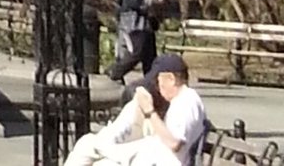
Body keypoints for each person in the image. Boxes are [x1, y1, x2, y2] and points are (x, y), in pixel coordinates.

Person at [64, 52, 208, 166]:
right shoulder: (182, 101)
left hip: (154, 160)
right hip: (147, 155)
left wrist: (149, 112)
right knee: (90, 148)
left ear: (170, 79)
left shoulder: (187, 101)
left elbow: (174, 143)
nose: (158, 88)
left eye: (159, 82)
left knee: (89, 146)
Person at [109, 0, 157, 82]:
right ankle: (150, 78)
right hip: (138, 21)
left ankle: (116, 72)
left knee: (139, 51)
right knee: (143, 52)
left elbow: (130, 1)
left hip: (133, 21)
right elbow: (134, 1)